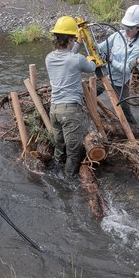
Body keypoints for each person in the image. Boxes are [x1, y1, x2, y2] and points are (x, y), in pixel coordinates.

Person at [45, 16, 96, 177]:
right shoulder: (78, 60)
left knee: (60, 147)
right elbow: (91, 67)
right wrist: (91, 58)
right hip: (70, 111)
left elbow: (68, 59)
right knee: (74, 152)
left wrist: (77, 43)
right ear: (70, 39)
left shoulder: (49, 58)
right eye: (73, 39)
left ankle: (55, 174)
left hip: (54, 110)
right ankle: (67, 184)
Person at [97, 4, 139, 125]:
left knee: (125, 111)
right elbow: (101, 47)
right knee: (88, 95)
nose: (127, 31)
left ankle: (136, 131)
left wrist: (111, 60)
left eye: (130, 28)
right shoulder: (117, 35)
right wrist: (93, 48)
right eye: (125, 27)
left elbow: (126, 69)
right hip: (105, 75)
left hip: (120, 82)